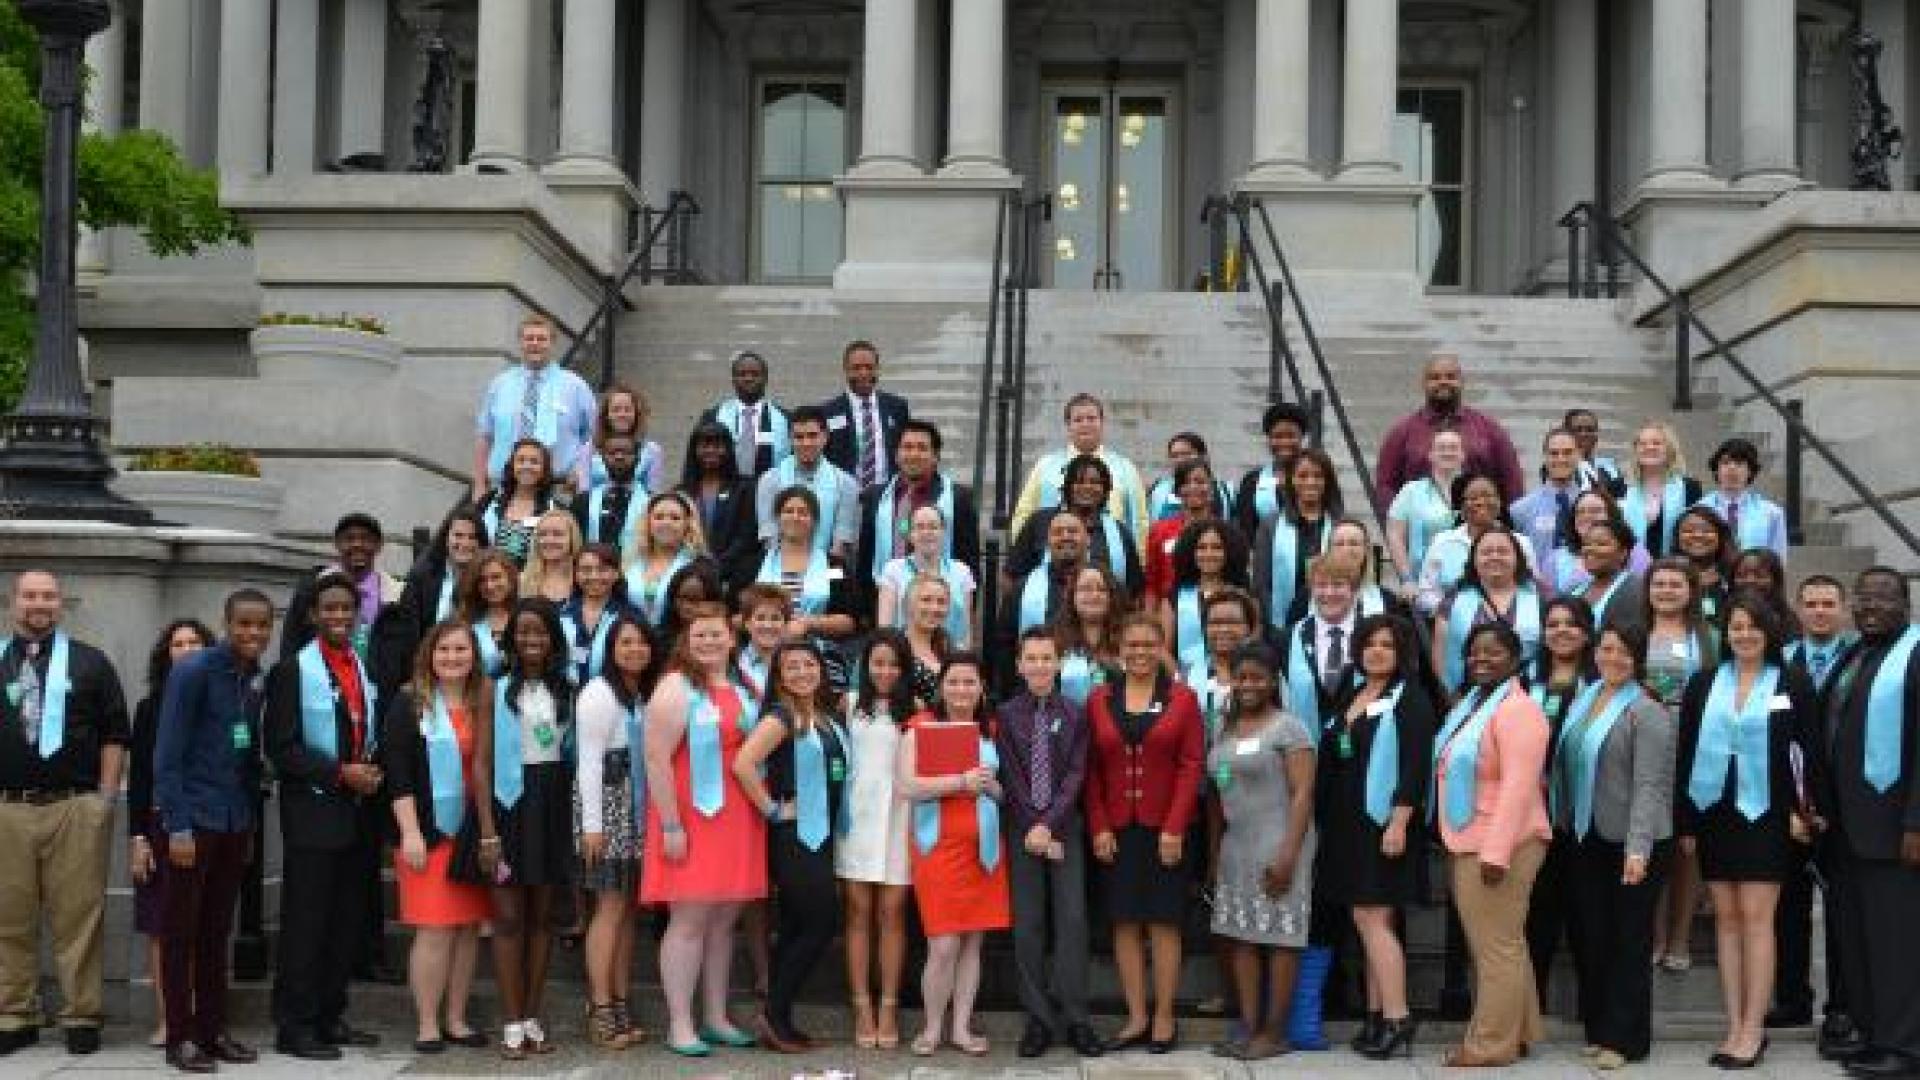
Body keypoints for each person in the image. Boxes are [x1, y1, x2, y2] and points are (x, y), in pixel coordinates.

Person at [1674, 593, 1816, 1068]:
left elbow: (1807, 752)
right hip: (1714, 811)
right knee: (1726, 920)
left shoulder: (1792, 681)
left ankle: (1754, 1028)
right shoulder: (1703, 683)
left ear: (1769, 632)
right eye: (1736, 627)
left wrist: (1804, 810)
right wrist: (1686, 820)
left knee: (1757, 920)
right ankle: (1733, 1024)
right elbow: (1687, 750)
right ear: (1725, 632)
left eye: (1753, 626)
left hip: (1769, 815)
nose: (1744, 635)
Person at [0, 572, 129, 1059]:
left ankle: (81, 1015)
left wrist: (104, 800)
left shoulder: (91, 662)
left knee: (79, 915)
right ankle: (15, 1014)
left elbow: (115, 733)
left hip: (74, 807)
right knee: (8, 916)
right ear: (13, 602)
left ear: (61, 603)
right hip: (8, 808)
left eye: (48, 596)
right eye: (30, 595)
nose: (40, 603)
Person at [153, 589, 274, 1073]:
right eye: (244, 624)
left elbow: (244, 755)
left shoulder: (254, 677)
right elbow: (167, 755)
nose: (253, 633)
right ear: (226, 623)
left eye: (262, 625)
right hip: (192, 821)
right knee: (179, 933)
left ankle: (212, 1030)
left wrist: (247, 825)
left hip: (233, 821)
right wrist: (178, 827)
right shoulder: (193, 671)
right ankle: (179, 1038)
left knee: (215, 932)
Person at [265, 573, 385, 1059]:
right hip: (314, 811)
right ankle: (295, 1025)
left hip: (356, 813)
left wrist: (370, 770)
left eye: (346, 609)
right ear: (313, 615)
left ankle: (330, 1015)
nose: (339, 616)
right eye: (329, 609)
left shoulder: (359, 664)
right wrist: (340, 773)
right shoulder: (293, 670)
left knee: (344, 921)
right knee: (307, 923)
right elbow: (281, 748)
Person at [640, 603, 766, 1057]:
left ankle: (715, 1017)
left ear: (732, 638)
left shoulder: (742, 683)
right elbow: (655, 759)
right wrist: (671, 824)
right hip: (691, 817)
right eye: (700, 636)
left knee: (724, 921)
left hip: (736, 816)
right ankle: (680, 1023)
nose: (709, 642)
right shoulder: (676, 687)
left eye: (717, 634)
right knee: (689, 919)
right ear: (686, 641)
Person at [1552, 623, 1675, 1069]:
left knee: (1628, 941)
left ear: (1638, 659)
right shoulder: (1586, 699)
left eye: (1624, 652)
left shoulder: (1648, 711)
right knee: (1594, 937)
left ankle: (1626, 1040)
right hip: (1587, 835)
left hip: (1633, 841)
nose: (1614, 658)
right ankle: (1601, 1029)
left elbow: (1649, 786)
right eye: (1607, 649)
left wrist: (1638, 850)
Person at [1430, 622, 1552, 1067]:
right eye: (1474, 652)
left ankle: (1490, 1045)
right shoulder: (1476, 704)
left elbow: (1520, 787)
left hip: (1501, 844)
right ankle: (1520, 1033)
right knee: (1505, 943)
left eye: (1493, 652)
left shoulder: (1519, 710)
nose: (1480, 659)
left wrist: (1496, 853)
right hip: (1471, 837)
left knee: (1495, 949)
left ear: (1516, 659)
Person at [458, 600, 575, 1058]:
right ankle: (510, 1021)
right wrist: (488, 831)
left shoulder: (568, 687)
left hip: (550, 805)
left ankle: (531, 1016)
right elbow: (481, 764)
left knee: (542, 918)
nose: (532, 640)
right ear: (511, 638)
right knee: (507, 919)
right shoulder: (494, 686)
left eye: (540, 632)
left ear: (553, 639)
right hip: (508, 805)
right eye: (523, 632)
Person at [1085, 616, 1205, 1053]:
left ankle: (1164, 1016)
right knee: (1125, 923)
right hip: (1117, 829)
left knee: (1163, 922)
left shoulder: (1182, 699)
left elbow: (1191, 766)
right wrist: (1098, 824)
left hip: (1165, 829)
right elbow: (1091, 769)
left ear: (1161, 648)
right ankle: (1136, 1016)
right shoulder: (1099, 699)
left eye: (1148, 645)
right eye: (1132, 645)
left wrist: (1175, 826)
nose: (1139, 653)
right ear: (1120, 649)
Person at [1818, 568, 1920, 1078]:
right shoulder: (1856, 653)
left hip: (1896, 829)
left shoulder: (1914, 655)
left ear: (1906, 604)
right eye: (1862, 598)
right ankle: (1874, 1032)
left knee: (1898, 943)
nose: (1870, 606)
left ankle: (1905, 1047)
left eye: (1882, 598)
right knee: (1861, 941)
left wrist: (1917, 822)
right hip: (1850, 827)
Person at [1320, 615, 1435, 1061]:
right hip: (1347, 823)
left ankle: (1399, 1017)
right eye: (1370, 643)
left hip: (1385, 823)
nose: (1377, 651)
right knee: (1369, 921)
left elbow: (1415, 766)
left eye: (1387, 644)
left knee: (1372, 919)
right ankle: (1376, 1015)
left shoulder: (1412, 699)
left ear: (1401, 651)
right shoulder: (1352, 692)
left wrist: (1400, 822)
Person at [380, 621, 494, 1054]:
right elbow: (398, 772)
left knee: (467, 929)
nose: (452, 657)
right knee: (434, 930)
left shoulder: (482, 700)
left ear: (474, 655)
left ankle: (457, 1019)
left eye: (461, 649)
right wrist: (409, 832)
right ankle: (428, 1024)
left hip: (470, 834)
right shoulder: (410, 702)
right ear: (429, 654)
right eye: (443, 649)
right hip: (427, 834)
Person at [732, 642, 850, 1052]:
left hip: (822, 832)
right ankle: (774, 1011)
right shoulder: (781, 717)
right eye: (792, 667)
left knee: (799, 925)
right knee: (821, 922)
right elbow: (744, 764)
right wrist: (771, 809)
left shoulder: (825, 716)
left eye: (809, 664)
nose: (802, 672)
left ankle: (777, 1015)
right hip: (795, 835)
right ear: (779, 677)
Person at [897, 653, 1013, 1057]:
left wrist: (992, 788)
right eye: (954, 682)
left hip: (984, 850)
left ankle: (961, 1028)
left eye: (970, 682)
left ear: (981, 688)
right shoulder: (920, 728)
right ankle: (932, 1028)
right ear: (941, 687)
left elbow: (1003, 794)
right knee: (943, 945)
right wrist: (960, 781)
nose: (962, 690)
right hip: (938, 847)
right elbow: (907, 787)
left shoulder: (991, 731)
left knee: (971, 945)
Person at [1208, 642, 1318, 1062]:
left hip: (1281, 842)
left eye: (1257, 677)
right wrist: (1214, 858)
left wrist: (1289, 854)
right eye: (1241, 677)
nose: (1248, 684)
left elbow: (1303, 794)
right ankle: (1249, 1029)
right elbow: (1216, 797)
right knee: (1242, 938)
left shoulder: (1290, 728)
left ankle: (1274, 1033)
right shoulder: (1223, 729)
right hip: (1237, 847)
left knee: (1281, 940)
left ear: (1273, 681)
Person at [996, 629, 1100, 1059]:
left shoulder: (1076, 713)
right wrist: (1033, 825)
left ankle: (1077, 1018)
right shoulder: (1006, 715)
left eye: (1046, 658)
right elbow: (1010, 773)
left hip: (1065, 828)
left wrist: (1051, 823)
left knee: (1072, 920)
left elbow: (1076, 773)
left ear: (1058, 664)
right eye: (1031, 658)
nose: (1039, 666)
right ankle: (1038, 1019)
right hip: (1023, 828)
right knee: (1029, 924)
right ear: (1019, 665)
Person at [127, 619, 214, 1049]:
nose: (187, 650)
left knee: (204, 926)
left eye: (195, 642)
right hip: (163, 825)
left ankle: (202, 1018)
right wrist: (138, 836)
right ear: (166, 655)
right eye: (178, 644)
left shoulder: (225, 699)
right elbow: (141, 777)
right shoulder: (151, 707)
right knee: (164, 926)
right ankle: (169, 1018)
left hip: (213, 825)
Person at [573, 614, 656, 1049]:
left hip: (635, 807)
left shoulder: (640, 693)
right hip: (607, 808)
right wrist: (592, 827)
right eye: (626, 642)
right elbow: (588, 762)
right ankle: (600, 1005)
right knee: (608, 908)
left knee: (626, 911)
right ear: (610, 647)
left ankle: (621, 1001)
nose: (635, 650)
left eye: (642, 642)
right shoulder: (598, 693)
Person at [836, 631, 916, 1050]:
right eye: (878, 663)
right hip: (857, 820)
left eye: (894, 664)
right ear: (865, 666)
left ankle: (888, 1005)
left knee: (893, 913)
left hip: (900, 819)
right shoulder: (848, 705)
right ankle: (861, 1005)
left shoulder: (916, 710)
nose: (885, 671)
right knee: (857, 913)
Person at [1522, 595, 1596, 1006]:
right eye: (1552, 624)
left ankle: (1592, 1009)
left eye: (1571, 624)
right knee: (1538, 915)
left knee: (1588, 916)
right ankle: (1533, 1007)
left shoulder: (1603, 678)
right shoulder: (1525, 678)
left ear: (1586, 632)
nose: (1561, 631)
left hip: (1587, 813)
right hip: (1536, 814)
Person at [1373, 350, 1527, 506]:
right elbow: (1385, 487)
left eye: (1451, 377)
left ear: (1462, 382)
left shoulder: (1489, 429)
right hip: (1420, 520)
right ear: (1424, 383)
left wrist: (1507, 520)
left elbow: (1512, 482)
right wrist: (1398, 518)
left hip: (1478, 519)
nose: (1443, 382)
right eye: (1435, 377)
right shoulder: (1402, 432)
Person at [473, 312, 597, 498]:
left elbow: (596, 435)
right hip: (504, 489)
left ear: (552, 343)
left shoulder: (575, 386)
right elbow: (485, 437)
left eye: (541, 339)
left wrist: (582, 470)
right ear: (520, 343)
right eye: (529, 338)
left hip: (559, 489)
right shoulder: (500, 385)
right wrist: (479, 485)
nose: (535, 343)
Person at [752, 487, 861, 684]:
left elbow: (849, 621)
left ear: (814, 521)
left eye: (803, 512)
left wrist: (808, 623)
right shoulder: (752, 564)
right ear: (777, 518)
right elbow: (735, 616)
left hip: (819, 660)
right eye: (788, 511)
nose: (795, 517)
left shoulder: (834, 567)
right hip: (760, 658)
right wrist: (769, 626)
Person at [854, 418, 981, 586]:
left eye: (922, 448)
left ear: (935, 457)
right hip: (886, 594)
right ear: (896, 455)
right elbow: (865, 560)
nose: (914, 454)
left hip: (940, 597)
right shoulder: (876, 497)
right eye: (907, 447)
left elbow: (970, 562)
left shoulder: (958, 498)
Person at [1011, 393, 1149, 542]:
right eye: (1078, 420)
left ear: (1102, 423)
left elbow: (1139, 522)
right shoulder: (1045, 466)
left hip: (1110, 551)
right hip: (1054, 550)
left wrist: (1137, 555)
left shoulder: (1125, 468)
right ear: (1068, 425)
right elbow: (1023, 515)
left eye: (1091, 419)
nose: (1085, 424)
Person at [1007, 453, 1144, 596]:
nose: (1087, 487)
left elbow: (1135, 589)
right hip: (1044, 609)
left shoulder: (1120, 532)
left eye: (1095, 482)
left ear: (1105, 489)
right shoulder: (1040, 522)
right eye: (1079, 481)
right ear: (1068, 487)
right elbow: (1012, 575)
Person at [1431, 527, 1543, 697]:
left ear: (1518, 557)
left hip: (1530, 693)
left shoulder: (1540, 595)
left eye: (1503, 551)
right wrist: (1454, 699)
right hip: (1470, 696)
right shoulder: (1454, 599)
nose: (1494, 556)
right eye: (1486, 552)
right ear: (1474, 560)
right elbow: (1440, 657)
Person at [390, 508, 487, 689]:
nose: (465, 543)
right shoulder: (422, 576)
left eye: (472, 537)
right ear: (446, 538)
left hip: (476, 676)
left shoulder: (488, 580)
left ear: (481, 543)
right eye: (458, 535)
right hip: (427, 675)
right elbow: (409, 632)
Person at [282, 511, 405, 655]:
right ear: (337, 544)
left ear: (379, 545)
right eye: (349, 539)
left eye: (366, 539)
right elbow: (291, 640)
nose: (357, 545)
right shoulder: (311, 588)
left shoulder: (397, 595)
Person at [1415, 472, 1536, 617]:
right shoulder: (1442, 542)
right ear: (1461, 506)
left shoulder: (1521, 543)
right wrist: (1453, 612)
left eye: (1487, 496)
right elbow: (1426, 592)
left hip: (1510, 623)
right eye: (1472, 498)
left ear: (1499, 501)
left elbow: (1532, 587)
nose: (1480, 502)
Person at [1252, 448, 1343, 633]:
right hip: (1280, 625)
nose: (1310, 482)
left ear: (1327, 481)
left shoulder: (1341, 526)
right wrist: (1274, 628)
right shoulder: (1271, 525)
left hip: (1332, 623)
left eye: (1318, 476)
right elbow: (1261, 583)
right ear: (1291, 480)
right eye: (1302, 476)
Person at [1280, 551, 1369, 733]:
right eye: (1321, 585)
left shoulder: (1373, 635)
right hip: (1304, 742)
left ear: (1354, 590)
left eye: (1338, 585)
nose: (1329, 593)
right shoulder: (1287, 639)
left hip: (1361, 740)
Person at [755, 406, 860, 558]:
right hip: (780, 566)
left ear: (825, 437)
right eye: (799, 437)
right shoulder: (770, 481)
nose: (806, 443)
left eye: (812, 436)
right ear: (790, 439)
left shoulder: (846, 484)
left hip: (827, 566)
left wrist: (816, 568)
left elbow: (841, 544)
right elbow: (770, 540)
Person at [998, 512, 1091, 680]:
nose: (1065, 537)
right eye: (1058, 532)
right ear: (1048, 542)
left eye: (1073, 531)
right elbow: (1005, 646)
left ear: (1088, 539)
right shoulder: (1021, 589)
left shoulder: (1104, 586)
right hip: (1036, 688)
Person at [875, 504, 977, 647]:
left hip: (950, 653)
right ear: (910, 534)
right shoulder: (892, 570)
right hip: (904, 653)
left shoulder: (962, 572)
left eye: (933, 527)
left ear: (943, 532)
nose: (926, 532)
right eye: (920, 527)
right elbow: (884, 629)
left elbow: (966, 631)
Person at [1158, 519, 1251, 672]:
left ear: (1229, 552)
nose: (1209, 554)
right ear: (1191, 552)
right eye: (1201, 548)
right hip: (1185, 678)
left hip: (1236, 678)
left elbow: (1253, 643)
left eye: (1217, 547)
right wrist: (1180, 678)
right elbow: (1162, 649)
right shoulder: (1174, 597)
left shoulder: (1244, 595)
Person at [677, 420, 761, 588]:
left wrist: (716, 568)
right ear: (694, 450)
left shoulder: (745, 488)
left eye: (717, 445)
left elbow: (745, 537)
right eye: (704, 445)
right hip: (687, 576)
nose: (711, 451)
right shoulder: (680, 492)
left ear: (728, 449)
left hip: (732, 577)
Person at [820, 339, 910, 488]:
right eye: (856, 368)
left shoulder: (897, 407)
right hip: (844, 493)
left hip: (888, 493)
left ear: (877, 369)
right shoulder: (828, 412)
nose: (863, 373)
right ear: (846, 370)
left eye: (869, 367)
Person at [1386, 427, 1463, 595]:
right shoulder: (1411, 491)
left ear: (1463, 455)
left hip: (1469, 582)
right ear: (1431, 455)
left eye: (1453, 447)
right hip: (1424, 584)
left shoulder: (1476, 489)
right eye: (1441, 448)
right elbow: (1395, 535)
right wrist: (1406, 579)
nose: (1447, 452)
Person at [1144, 458, 1228, 603]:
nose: (1193, 487)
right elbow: (1152, 586)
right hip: (1170, 609)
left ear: (1211, 488)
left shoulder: (1226, 532)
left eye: (1200, 482)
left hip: (1216, 609)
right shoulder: (1160, 532)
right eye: (1185, 483)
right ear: (1177, 491)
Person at [697, 351, 790, 478]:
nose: (748, 379)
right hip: (726, 486)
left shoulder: (784, 418)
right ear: (733, 380)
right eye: (742, 374)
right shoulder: (713, 417)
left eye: (755, 374)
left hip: (770, 487)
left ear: (765, 379)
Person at [1540, 489, 1649, 597]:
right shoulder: (1555, 560)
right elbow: (1550, 600)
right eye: (1580, 512)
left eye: (1595, 511)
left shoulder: (1634, 552)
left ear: (1611, 515)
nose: (1586, 516)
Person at [623, 493, 707, 629]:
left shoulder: (701, 565)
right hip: (634, 638)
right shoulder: (629, 562)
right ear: (648, 522)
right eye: (659, 517)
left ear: (688, 524)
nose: (666, 523)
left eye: (675, 518)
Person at [1620, 421, 1702, 559]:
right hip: (1627, 566)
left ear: (1669, 449)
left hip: (1675, 566)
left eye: (1657, 443)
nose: (1649, 447)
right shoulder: (1619, 486)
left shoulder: (1689, 487)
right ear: (1635, 450)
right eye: (1643, 444)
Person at [1698, 438, 1789, 561]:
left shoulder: (1772, 513)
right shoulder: (1700, 509)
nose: (1732, 468)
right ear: (1716, 470)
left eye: (1739, 463)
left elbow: (1778, 559)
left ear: (1750, 471)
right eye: (1725, 463)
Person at [1050, 564, 1126, 708]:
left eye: (1101, 589)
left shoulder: (1129, 641)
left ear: (1111, 597)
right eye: (1086, 589)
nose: (1094, 595)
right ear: (1072, 596)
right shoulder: (1053, 643)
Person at [477, 441, 559, 568]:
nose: (527, 466)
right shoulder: (489, 500)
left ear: (544, 469)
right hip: (488, 576)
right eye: (521, 460)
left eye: (534, 462)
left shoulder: (555, 510)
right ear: (512, 466)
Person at [1234, 401, 1311, 536]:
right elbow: (1245, 529)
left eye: (1291, 436)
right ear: (1268, 439)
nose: (1284, 442)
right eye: (1277, 436)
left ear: (1302, 437)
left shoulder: (1315, 478)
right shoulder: (1253, 481)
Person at [1511, 427, 1584, 570]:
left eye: (1568, 452)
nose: (1561, 459)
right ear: (1545, 457)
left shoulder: (1593, 507)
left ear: (1579, 455)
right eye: (1554, 453)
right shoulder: (1520, 510)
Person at [574, 431, 650, 557]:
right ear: (602, 458)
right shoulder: (583, 501)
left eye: (626, 452)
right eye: (612, 453)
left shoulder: (651, 502)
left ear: (638, 457)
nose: (619, 457)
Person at [1571, 518, 1647, 638]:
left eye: (1601, 544)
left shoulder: (1637, 590)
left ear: (1623, 553)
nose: (1590, 549)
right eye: (1586, 544)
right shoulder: (1574, 590)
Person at [587, 382, 666, 493]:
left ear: (636, 414)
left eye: (627, 410)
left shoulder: (652, 451)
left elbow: (653, 492)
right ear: (606, 415)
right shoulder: (589, 449)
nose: (622, 414)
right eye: (616, 410)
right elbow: (583, 490)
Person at [1145, 431, 1233, 523]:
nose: (1179, 460)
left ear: (1203, 456)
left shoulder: (1226, 491)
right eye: (1174, 456)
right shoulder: (1158, 489)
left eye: (1186, 454)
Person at [456, 550, 518, 678]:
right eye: (482, 580)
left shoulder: (526, 615)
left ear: (510, 578)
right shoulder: (465, 623)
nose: (489, 586)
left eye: (496, 577)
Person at [1674, 505, 1735, 625]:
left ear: (1721, 536)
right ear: (1677, 537)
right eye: (1688, 531)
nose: (1698, 535)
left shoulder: (1736, 575)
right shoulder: (1664, 575)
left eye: (1707, 531)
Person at [902, 575, 956, 704]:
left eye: (941, 602)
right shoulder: (892, 647)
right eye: (926, 600)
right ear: (909, 605)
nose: (934, 608)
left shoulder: (952, 649)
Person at [520, 509, 583, 605]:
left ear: (572, 539)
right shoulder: (522, 581)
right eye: (542, 534)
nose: (549, 540)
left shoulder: (584, 580)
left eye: (558, 534)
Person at [1563, 408, 1627, 495]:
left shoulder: (1610, 469)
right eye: (1577, 429)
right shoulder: (1556, 467)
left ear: (1596, 436)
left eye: (1590, 430)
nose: (1584, 434)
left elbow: (1622, 499)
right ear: (1565, 433)